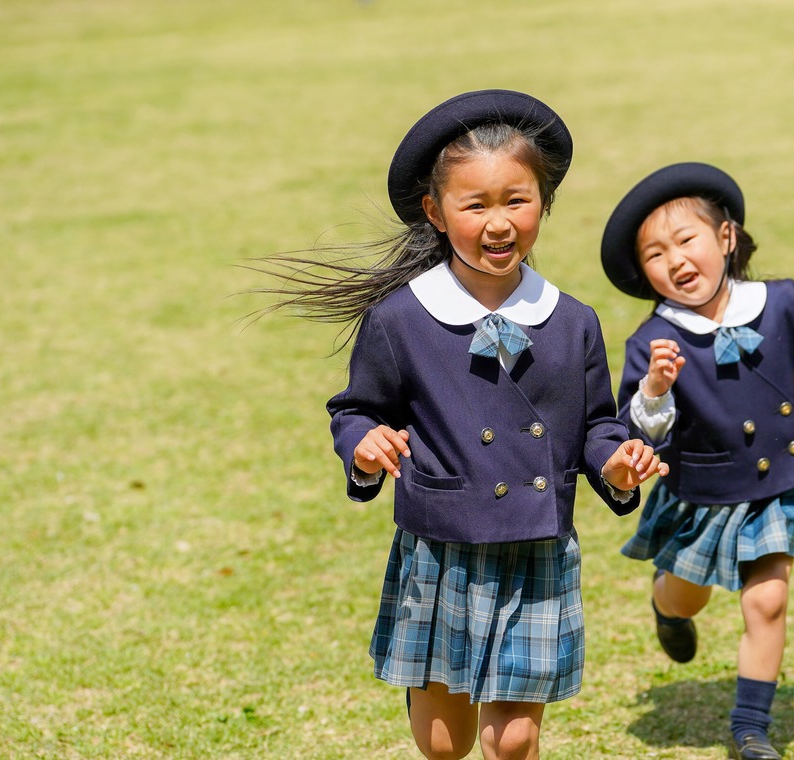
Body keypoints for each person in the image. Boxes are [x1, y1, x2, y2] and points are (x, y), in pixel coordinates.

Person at [258, 90, 668, 760]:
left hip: (537, 544)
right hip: (441, 547)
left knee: (513, 741)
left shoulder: (573, 321)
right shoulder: (400, 319)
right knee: (443, 743)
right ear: (436, 212)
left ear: (543, 203)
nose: (499, 223)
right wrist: (363, 446)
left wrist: (617, 463)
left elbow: (597, 425)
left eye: (517, 200)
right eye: (476, 205)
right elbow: (357, 409)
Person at [599, 163, 794, 760]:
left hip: (778, 483)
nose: (675, 260)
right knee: (687, 597)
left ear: (725, 237)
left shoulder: (781, 301)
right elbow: (637, 435)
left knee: (767, 600)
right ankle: (666, 606)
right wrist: (655, 389)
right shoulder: (652, 342)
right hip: (701, 493)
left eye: (686, 239)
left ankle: (751, 728)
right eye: (655, 254)